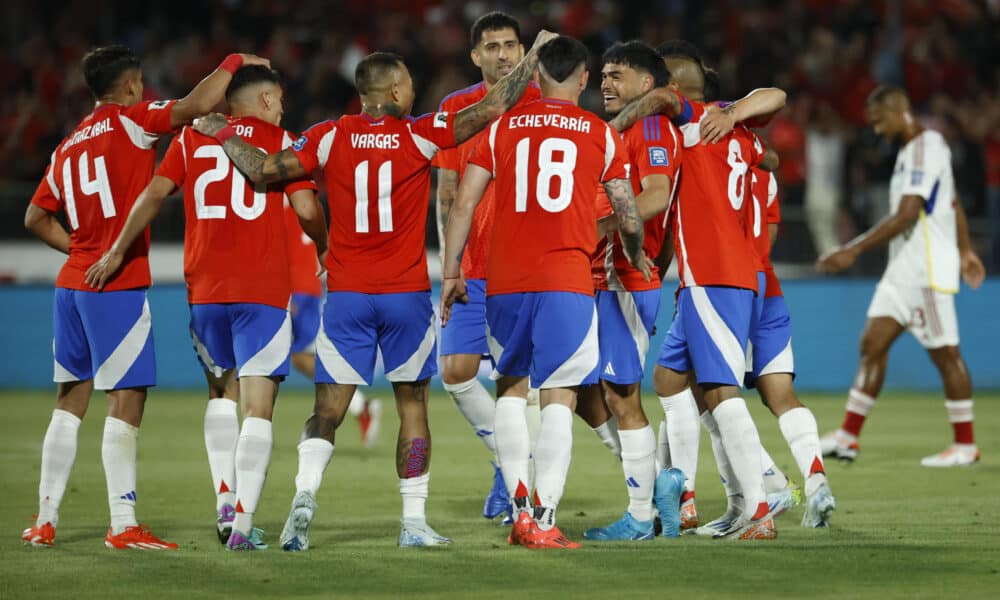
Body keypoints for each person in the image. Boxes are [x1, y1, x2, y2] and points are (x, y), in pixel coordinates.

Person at [193, 31, 555, 549]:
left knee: (327, 410)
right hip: (404, 296)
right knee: (412, 408)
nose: (412, 93)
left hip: (346, 296)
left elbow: (262, 171)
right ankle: (412, 522)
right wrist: (534, 55)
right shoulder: (419, 134)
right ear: (389, 91)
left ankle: (305, 496)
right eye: (406, 85)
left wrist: (220, 130)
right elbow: (494, 105)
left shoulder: (328, 135)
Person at [21, 45, 268, 550]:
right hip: (115, 284)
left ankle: (45, 520)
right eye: (141, 83)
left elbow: (34, 218)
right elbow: (198, 105)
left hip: (71, 284)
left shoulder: (66, 146)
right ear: (131, 85)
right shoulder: (133, 122)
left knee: (69, 403)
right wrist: (233, 62)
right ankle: (122, 522)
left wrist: (82, 249)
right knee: (127, 400)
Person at [86, 65, 328, 551]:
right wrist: (325, 249)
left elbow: (154, 194)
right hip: (261, 290)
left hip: (205, 291)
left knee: (221, 394)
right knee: (258, 407)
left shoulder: (191, 141)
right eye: (279, 98)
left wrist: (116, 250)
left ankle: (223, 499)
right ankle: (241, 526)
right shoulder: (283, 140)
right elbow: (305, 210)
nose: (283, 106)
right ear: (263, 101)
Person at [442, 35, 650, 550]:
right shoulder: (601, 134)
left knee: (510, 388)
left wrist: (450, 273)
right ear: (583, 79)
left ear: (535, 77)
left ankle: (519, 513)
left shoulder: (501, 127)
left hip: (505, 281)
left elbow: (462, 203)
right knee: (558, 394)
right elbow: (626, 211)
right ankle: (545, 516)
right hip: (566, 281)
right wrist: (636, 248)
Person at [608, 42, 788, 540]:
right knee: (669, 378)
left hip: (715, 273)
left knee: (719, 390)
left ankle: (760, 508)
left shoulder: (693, 120)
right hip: (708, 275)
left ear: (675, 88)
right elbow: (770, 141)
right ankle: (728, 503)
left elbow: (665, 102)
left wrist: (614, 126)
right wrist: (737, 115)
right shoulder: (734, 133)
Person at [817, 85, 985, 467]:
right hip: (902, 271)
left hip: (924, 270)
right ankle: (848, 436)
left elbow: (909, 213)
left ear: (899, 111)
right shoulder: (915, 151)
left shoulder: (926, 148)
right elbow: (952, 202)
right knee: (871, 344)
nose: (876, 131)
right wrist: (967, 249)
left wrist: (852, 249)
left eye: (879, 121)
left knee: (946, 354)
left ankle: (965, 445)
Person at [433, 11, 542, 522]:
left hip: (527, 265)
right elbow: (448, 194)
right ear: (475, 55)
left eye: (511, 45)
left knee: (517, 382)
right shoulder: (457, 108)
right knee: (454, 372)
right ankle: (507, 459)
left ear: (523, 51)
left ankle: (517, 481)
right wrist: (447, 264)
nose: (503, 54)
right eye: (493, 46)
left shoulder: (543, 103)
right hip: (473, 265)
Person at [577, 40, 683, 542]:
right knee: (589, 391)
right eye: (603, 74)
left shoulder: (652, 127)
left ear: (648, 84)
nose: (606, 83)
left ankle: (643, 515)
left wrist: (593, 227)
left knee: (622, 396)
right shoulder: (617, 132)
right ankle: (659, 484)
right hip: (606, 277)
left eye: (618, 75)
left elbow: (658, 193)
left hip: (626, 275)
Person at [284, 202, 383, 450]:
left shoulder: (277, 201)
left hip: (296, 287)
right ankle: (353, 407)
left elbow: (275, 247)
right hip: (308, 285)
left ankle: (357, 406)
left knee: (300, 356)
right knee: (300, 356)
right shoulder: (304, 199)